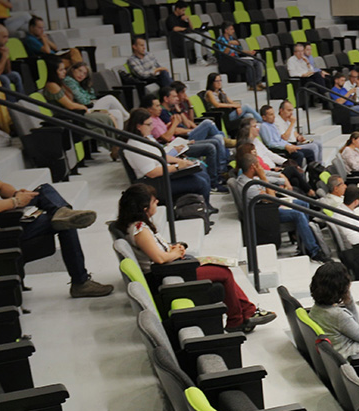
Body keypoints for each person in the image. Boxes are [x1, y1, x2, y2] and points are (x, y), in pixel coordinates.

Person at [0, 118, 113, 298]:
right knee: (66, 223)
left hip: (4, 215)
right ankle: (80, 282)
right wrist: (16, 202)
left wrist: (17, 193)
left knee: (44, 190)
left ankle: (61, 213)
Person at [116, 183, 274, 333]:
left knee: (220, 269)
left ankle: (247, 311)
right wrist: (175, 253)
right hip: (168, 273)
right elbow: (159, 259)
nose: (157, 202)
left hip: (172, 267)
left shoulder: (136, 225)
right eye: (153, 201)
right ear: (144, 208)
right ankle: (236, 320)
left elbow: (156, 251)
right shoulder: (140, 229)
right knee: (224, 273)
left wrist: (173, 248)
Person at [238, 152, 326, 262]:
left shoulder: (249, 178)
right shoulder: (247, 185)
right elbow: (272, 198)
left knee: (303, 204)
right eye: (258, 165)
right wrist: (263, 178)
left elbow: (268, 193)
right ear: (252, 167)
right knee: (298, 214)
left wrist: (267, 186)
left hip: (266, 207)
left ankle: (303, 244)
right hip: (263, 214)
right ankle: (314, 251)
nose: (261, 167)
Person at [123, 108, 216, 210]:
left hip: (165, 175)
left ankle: (206, 206)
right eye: (149, 125)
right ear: (138, 126)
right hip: (155, 182)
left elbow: (161, 155)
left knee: (201, 170)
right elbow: (151, 173)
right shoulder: (134, 147)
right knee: (200, 181)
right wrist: (177, 167)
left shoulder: (146, 138)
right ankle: (204, 209)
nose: (152, 127)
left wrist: (181, 161)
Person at [144, 93, 223, 189]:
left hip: (177, 142)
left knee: (215, 140)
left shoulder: (158, 118)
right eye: (156, 106)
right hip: (172, 149)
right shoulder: (151, 122)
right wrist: (175, 123)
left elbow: (186, 124)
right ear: (149, 109)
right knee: (210, 136)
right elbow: (166, 138)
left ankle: (220, 174)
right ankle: (214, 182)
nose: (160, 108)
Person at [64, 60, 128, 133]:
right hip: (83, 110)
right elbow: (83, 100)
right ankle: (128, 118)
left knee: (117, 113)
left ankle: (119, 140)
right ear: (73, 69)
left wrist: (87, 86)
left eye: (85, 74)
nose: (81, 75)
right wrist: (90, 99)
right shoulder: (69, 81)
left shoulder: (79, 84)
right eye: (79, 71)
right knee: (109, 98)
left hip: (88, 106)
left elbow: (92, 96)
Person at [258, 101, 324, 166]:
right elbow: (271, 143)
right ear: (264, 117)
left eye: (273, 114)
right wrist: (287, 146)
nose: (274, 116)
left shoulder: (272, 124)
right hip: (280, 149)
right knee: (302, 153)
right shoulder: (265, 126)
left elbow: (285, 138)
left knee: (311, 151)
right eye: (271, 114)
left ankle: (315, 169)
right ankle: (300, 173)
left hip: (287, 145)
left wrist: (298, 138)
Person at [216, 22, 264, 87]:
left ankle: (258, 82)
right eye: (231, 29)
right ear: (226, 30)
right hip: (229, 60)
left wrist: (248, 52)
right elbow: (224, 53)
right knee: (249, 63)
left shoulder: (231, 38)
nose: (233, 31)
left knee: (257, 61)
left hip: (236, 57)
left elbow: (237, 51)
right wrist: (229, 44)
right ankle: (252, 85)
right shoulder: (220, 40)